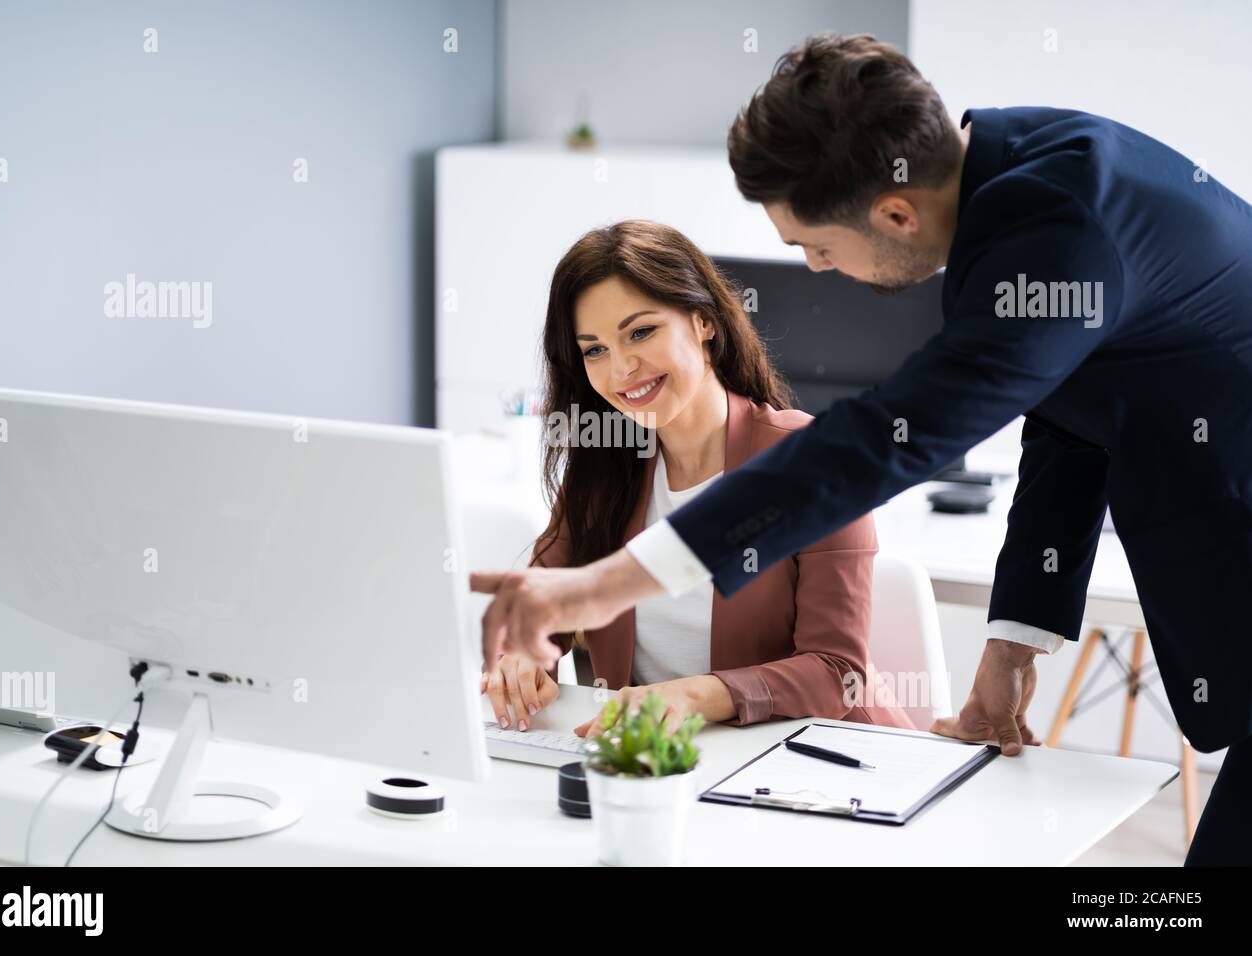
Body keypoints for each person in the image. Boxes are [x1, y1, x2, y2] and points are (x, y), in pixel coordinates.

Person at [471, 34, 1252, 865]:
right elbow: (1071, 426)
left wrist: (605, 583)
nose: (816, 267)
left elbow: (875, 445)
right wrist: (1012, 649)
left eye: (816, 246)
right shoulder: (1023, 173)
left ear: (894, 213)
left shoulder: (1063, 227)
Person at [480, 219, 914, 737]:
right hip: (675, 768)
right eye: (594, 349)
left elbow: (837, 673)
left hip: (822, 768)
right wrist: (523, 659)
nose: (621, 370)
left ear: (703, 321)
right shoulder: (604, 467)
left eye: (641, 332)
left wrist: (696, 695)